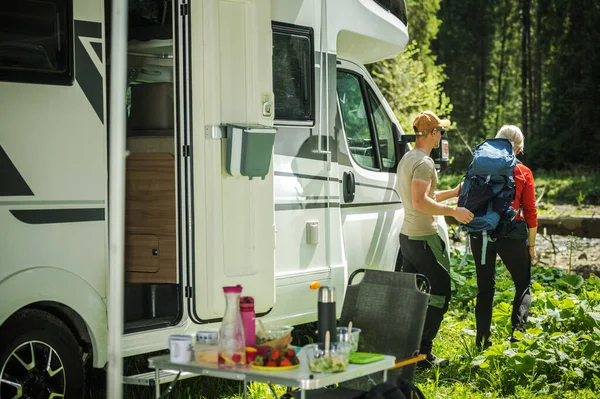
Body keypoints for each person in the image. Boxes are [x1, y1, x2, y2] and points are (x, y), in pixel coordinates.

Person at [397, 111, 474, 368]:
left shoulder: (408, 158)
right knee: (440, 293)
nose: (442, 135)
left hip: (407, 237)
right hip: (423, 238)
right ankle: (422, 354)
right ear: (432, 134)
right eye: (440, 131)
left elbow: (425, 195)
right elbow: (420, 202)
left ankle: (408, 350)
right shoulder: (425, 163)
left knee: (414, 295)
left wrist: (452, 193)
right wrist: (455, 211)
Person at [470, 125, 538, 349]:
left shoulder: (478, 166)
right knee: (523, 283)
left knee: (485, 289)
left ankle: (481, 342)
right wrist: (531, 246)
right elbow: (530, 211)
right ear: (518, 149)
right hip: (511, 234)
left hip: (480, 232)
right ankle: (518, 334)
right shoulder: (523, 172)